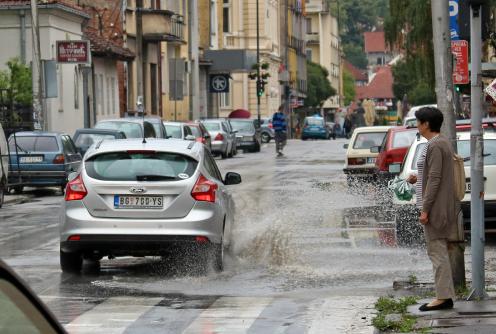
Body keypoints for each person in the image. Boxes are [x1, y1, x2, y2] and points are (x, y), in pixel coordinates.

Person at [406, 107, 459, 312]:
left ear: (426, 124)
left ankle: (443, 298)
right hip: (438, 205)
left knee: (437, 252)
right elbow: (435, 174)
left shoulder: (435, 145)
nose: (417, 126)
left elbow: (436, 179)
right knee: (438, 251)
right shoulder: (439, 142)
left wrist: (425, 209)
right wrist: (418, 178)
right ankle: (445, 295)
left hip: (436, 208)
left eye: (418, 122)